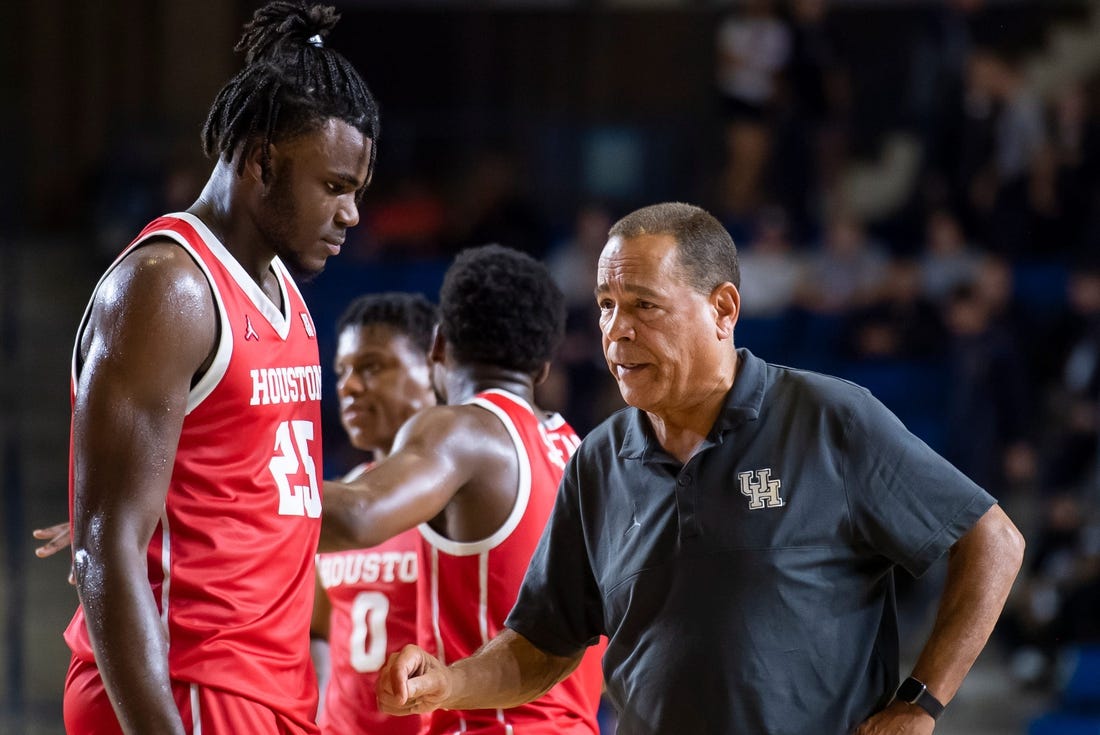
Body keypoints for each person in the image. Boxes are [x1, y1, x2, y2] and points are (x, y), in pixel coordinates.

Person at [376, 202, 1026, 735]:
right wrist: (449, 680)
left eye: (643, 306)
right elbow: (542, 644)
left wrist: (919, 703)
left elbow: (992, 538)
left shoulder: (829, 418)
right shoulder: (598, 458)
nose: (615, 330)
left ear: (723, 308)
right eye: (605, 304)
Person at [57, 3, 379, 733]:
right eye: (334, 187)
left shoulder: (284, 290)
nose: (352, 213)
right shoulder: (169, 287)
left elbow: (239, 486)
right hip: (188, 681)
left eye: (357, 191)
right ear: (262, 161)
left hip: (262, 684)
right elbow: (108, 542)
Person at [321, 244, 605, 735]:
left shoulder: (460, 431)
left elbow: (356, 515)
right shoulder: (576, 449)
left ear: (438, 346)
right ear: (542, 367)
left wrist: (222, 473)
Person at [312, 293, 437, 734]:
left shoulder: (467, 497)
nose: (348, 387)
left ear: (434, 366)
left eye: (371, 367)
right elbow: (318, 630)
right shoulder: (340, 498)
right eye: (342, 372)